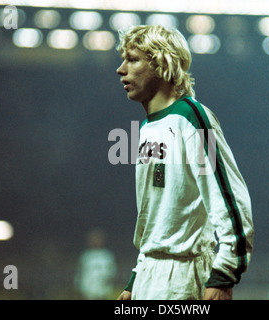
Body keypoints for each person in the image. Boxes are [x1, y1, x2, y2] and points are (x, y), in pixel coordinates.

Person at [115, 25, 254, 300]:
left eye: (132, 59)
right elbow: (157, 217)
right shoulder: (145, 128)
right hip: (149, 275)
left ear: (161, 63)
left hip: (182, 278)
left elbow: (230, 198)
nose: (121, 69)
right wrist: (137, 277)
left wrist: (225, 272)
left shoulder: (193, 117)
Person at [74, 228, 117, 299]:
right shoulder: (86, 256)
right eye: (93, 239)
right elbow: (80, 273)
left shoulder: (107, 256)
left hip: (103, 291)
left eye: (98, 239)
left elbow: (112, 273)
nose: (95, 241)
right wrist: (79, 287)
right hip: (87, 291)